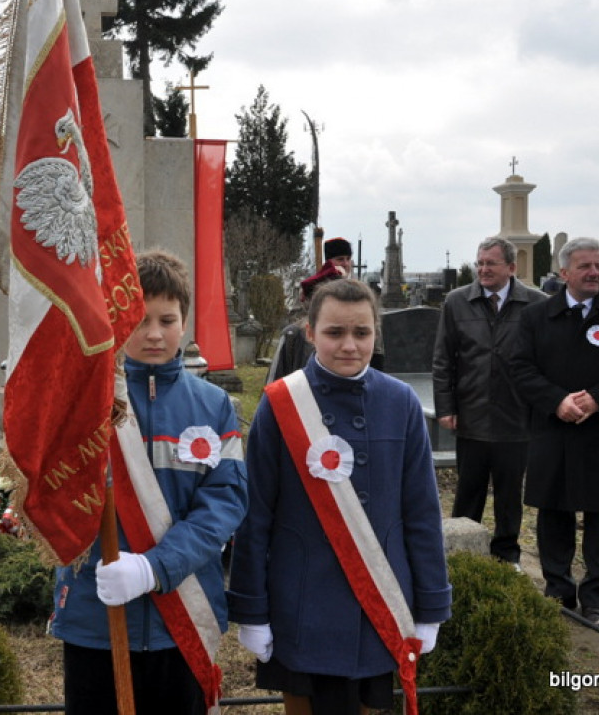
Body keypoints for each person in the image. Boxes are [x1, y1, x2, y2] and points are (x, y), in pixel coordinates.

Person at [229, 278, 452, 715]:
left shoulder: (401, 402)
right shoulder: (281, 403)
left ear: (375, 335)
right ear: (309, 333)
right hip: (300, 604)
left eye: (362, 333)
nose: (349, 345)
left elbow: (422, 512)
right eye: (334, 333)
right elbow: (254, 516)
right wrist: (251, 609)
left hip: (378, 600)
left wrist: (431, 606)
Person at [49, 249, 247, 715]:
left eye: (167, 319)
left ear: (185, 323)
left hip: (182, 615)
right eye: (139, 320)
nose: (154, 334)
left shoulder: (214, 406)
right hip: (95, 617)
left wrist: (153, 567)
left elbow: (225, 503)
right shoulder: (85, 401)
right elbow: (58, 497)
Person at [512, 237, 599, 627]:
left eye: (598, 266)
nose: (594, 273)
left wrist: (597, 400)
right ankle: (558, 592)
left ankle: (596, 600)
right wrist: (557, 401)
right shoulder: (537, 317)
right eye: (585, 266)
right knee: (554, 513)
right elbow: (521, 368)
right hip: (553, 430)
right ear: (564, 272)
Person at [432, 236, 547, 568]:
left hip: (517, 417)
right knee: (469, 491)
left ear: (511, 268)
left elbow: (545, 360)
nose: (482, 269)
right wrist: (446, 407)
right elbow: (443, 359)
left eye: (490, 263)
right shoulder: (456, 302)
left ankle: (507, 556)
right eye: (480, 263)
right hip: (472, 414)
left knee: (510, 496)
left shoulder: (536, 303)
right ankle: (461, 556)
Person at [268, 237, 383, 383]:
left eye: (348, 259)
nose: (346, 264)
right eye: (340, 259)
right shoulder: (295, 332)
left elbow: (377, 362)